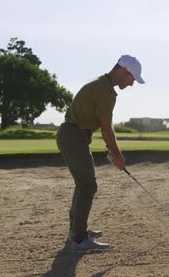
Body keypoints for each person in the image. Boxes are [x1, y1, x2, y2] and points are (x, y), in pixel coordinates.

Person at [56, 55, 145, 251]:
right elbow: (106, 129)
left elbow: (102, 128)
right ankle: (78, 238)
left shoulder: (101, 85)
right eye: (132, 79)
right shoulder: (105, 92)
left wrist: (112, 152)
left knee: (84, 184)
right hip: (74, 137)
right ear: (123, 71)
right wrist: (118, 156)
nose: (131, 84)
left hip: (73, 135)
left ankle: (77, 230)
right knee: (88, 186)